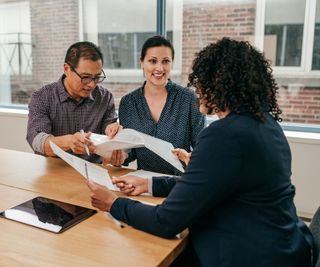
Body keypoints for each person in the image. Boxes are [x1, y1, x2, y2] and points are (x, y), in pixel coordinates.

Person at [87, 38, 313, 266]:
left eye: (202, 80)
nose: (197, 88)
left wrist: (114, 204)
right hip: (286, 247)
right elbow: (208, 185)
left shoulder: (224, 135)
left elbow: (167, 221)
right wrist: (150, 184)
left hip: (250, 256)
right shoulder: (266, 125)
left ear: (220, 83)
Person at [118, 35, 205, 175]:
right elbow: (131, 152)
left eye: (165, 61)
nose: (159, 68)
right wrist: (120, 156)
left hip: (180, 183)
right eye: (152, 61)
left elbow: (202, 149)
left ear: (171, 63)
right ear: (142, 62)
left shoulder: (189, 99)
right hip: (142, 184)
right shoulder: (128, 103)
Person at [26, 41, 123, 164]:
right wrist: (69, 142)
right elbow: (37, 141)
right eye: (85, 77)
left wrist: (113, 130)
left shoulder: (105, 97)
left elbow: (107, 127)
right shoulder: (42, 97)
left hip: (93, 172)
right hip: (54, 171)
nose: (92, 84)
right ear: (67, 69)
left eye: (97, 77)